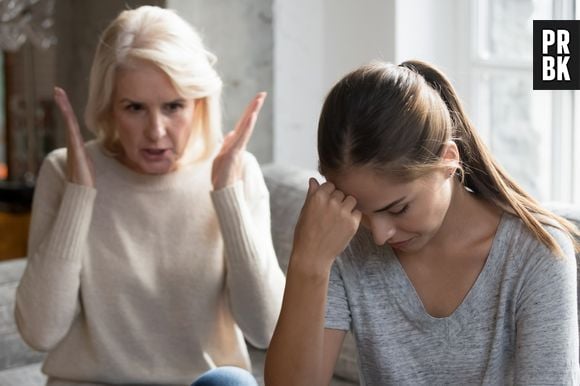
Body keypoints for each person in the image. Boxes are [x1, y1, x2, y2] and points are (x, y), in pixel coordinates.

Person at [15, 5, 285, 386]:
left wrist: (228, 196)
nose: (156, 131)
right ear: (109, 108)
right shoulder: (65, 171)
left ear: (198, 103)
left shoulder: (236, 172)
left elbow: (267, 330)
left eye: (173, 106)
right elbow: (39, 332)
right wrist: (80, 195)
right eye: (135, 108)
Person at [265, 60, 580, 385]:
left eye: (398, 208)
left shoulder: (537, 255)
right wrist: (308, 263)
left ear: (448, 161)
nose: (380, 235)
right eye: (359, 211)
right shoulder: (342, 244)